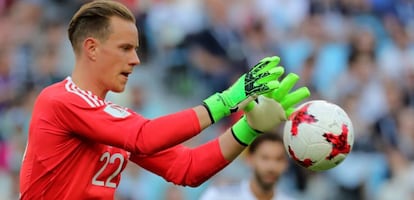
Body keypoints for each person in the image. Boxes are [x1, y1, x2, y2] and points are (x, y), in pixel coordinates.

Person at [19, 1, 310, 199]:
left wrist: (247, 128)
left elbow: (188, 168)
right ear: (92, 48)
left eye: (136, 49)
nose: (135, 60)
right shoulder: (58, 100)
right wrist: (226, 100)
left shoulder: (112, 118)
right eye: (125, 48)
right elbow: (144, 138)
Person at [200, 133, 294, 200]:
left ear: (286, 164)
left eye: (278, 159)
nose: (271, 167)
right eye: (265, 158)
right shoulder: (219, 196)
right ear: (249, 159)